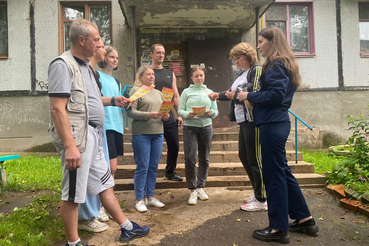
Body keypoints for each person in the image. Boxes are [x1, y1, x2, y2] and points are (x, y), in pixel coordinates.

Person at [48, 19, 149, 246]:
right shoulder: (62, 65)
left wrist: (113, 100)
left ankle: (126, 227)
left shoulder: (86, 66)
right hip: (78, 139)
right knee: (73, 192)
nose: (98, 45)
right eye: (96, 40)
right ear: (81, 40)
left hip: (94, 136)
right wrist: (70, 146)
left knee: (104, 183)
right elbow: (57, 107)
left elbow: (90, 101)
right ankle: (73, 242)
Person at [237, 26, 319, 244]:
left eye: (261, 41)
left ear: (273, 42)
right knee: (283, 172)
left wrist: (249, 94)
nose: (258, 46)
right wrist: (256, 98)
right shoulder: (283, 63)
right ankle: (305, 219)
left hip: (272, 124)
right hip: (276, 121)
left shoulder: (275, 64)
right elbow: (277, 95)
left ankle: (278, 229)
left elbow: (276, 94)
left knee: (274, 177)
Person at [208, 42, 267, 212]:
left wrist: (236, 95)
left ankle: (262, 199)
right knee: (244, 156)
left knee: (255, 159)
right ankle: (257, 192)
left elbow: (254, 92)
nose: (236, 62)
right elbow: (232, 94)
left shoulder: (256, 70)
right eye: (234, 59)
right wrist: (217, 95)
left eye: (238, 58)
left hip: (253, 120)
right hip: (243, 120)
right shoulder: (242, 74)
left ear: (247, 55)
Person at [77, 39, 110, 232]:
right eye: (101, 45)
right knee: (85, 173)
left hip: (97, 129)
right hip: (85, 129)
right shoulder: (81, 70)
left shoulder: (93, 72)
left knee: (97, 172)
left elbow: (96, 100)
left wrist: (114, 100)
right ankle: (86, 216)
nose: (103, 49)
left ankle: (94, 211)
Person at [127, 66, 170, 213]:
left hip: (158, 133)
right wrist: (148, 115)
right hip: (141, 134)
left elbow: (164, 112)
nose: (151, 76)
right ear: (141, 77)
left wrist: (166, 116)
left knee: (153, 167)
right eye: (148, 74)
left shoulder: (159, 93)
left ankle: (150, 197)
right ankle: (139, 199)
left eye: (153, 74)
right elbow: (130, 112)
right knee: (142, 166)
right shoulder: (135, 91)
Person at [178, 66, 218, 205]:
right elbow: (180, 110)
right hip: (190, 127)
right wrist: (188, 114)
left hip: (206, 127)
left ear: (204, 76)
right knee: (190, 158)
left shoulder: (210, 92)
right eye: (196, 76)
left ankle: (201, 187)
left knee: (204, 158)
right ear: (192, 77)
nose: (199, 78)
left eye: (201, 75)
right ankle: (192, 189)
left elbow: (215, 111)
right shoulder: (186, 92)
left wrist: (210, 113)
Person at [150, 44, 184, 182]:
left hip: (168, 113)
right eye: (158, 52)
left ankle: (170, 172)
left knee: (174, 144)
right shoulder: (146, 72)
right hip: (152, 116)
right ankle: (149, 173)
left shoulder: (170, 74)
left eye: (163, 53)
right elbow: (137, 90)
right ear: (151, 54)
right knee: (152, 147)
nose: (161, 55)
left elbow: (175, 95)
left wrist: (179, 113)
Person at [98, 45, 124, 178]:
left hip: (117, 126)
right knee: (109, 167)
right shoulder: (97, 76)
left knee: (113, 168)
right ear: (104, 57)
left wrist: (127, 103)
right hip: (105, 126)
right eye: (111, 57)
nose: (115, 60)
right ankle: (106, 197)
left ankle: (109, 196)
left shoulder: (117, 81)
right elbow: (96, 100)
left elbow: (119, 105)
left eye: (117, 58)